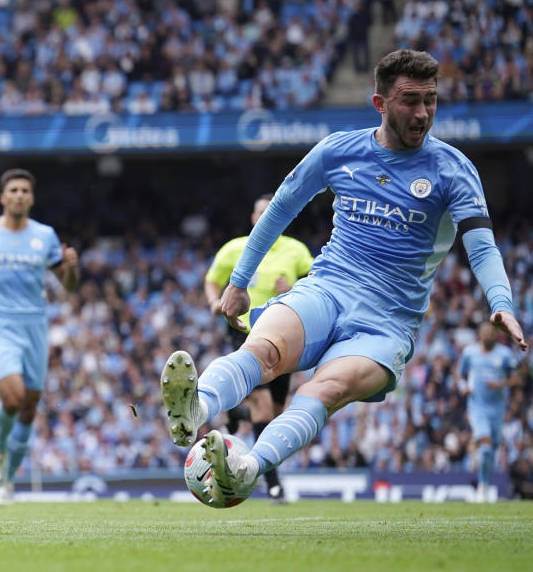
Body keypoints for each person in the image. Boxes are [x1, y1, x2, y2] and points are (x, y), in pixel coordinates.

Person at [161, 49, 528, 507]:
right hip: (327, 288)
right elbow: (280, 208)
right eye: (410, 100)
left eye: (430, 100)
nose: (422, 113)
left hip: (388, 321)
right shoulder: (339, 150)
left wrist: (501, 302)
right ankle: (196, 406)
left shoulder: (453, 169)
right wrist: (239, 280)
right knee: (263, 349)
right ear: (380, 103)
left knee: (324, 389)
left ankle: (246, 468)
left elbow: (483, 245)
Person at [0, 169, 79, 505]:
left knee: (29, 407)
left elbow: (69, 284)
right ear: (3, 197)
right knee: (13, 396)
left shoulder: (45, 235)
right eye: (13, 190)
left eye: (25, 190)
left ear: (31, 198)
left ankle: (6, 480)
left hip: (35, 324)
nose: (19, 195)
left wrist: (71, 266)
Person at [204, 194, 313, 502]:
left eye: (271, 212)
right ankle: (273, 482)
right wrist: (214, 302)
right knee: (264, 409)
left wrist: (294, 290)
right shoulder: (236, 249)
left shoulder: (296, 251)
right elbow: (212, 279)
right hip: (246, 336)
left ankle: (235, 412)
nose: (266, 217)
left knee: (276, 414)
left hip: (283, 340)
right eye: (260, 213)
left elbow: (319, 283)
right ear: (253, 219)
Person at [458, 322, 523, 503]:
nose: (487, 336)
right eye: (484, 333)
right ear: (479, 335)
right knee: (485, 448)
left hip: (497, 409)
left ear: (495, 335)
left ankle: (485, 485)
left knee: (492, 450)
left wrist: (501, 384)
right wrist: (463, 387)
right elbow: (460, 375)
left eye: (490, 333)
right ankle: (482, 488)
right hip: (477, 408)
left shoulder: (504, 354)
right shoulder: (469, 353)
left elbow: (517, 378)